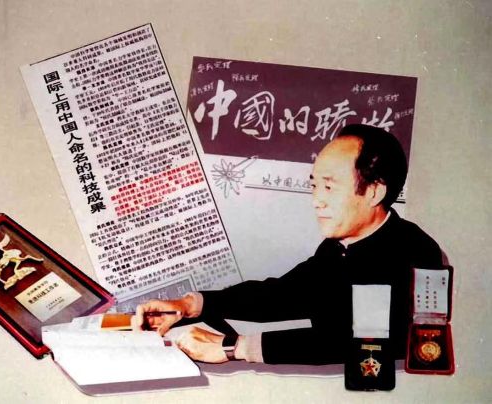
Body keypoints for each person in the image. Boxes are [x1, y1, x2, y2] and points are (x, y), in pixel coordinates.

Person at [133, 124, 444, 365]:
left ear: (374, 192)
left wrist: (235, 347)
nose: (317, 201)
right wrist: (191, 305)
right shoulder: (337, 246)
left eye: (329, 187)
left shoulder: (419, 254)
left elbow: (363, 343)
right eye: (314, 186)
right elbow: (281, 295)